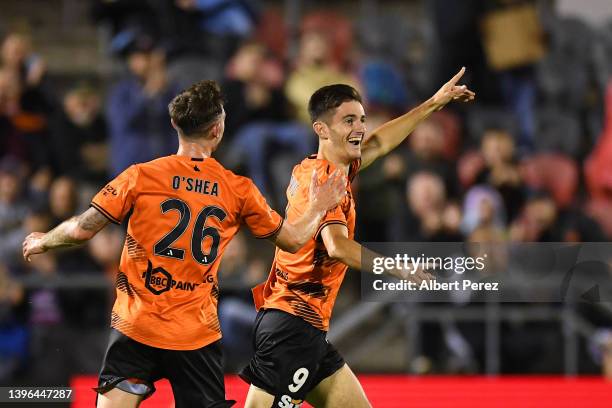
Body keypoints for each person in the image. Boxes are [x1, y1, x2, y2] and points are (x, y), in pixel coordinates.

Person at [22, 80, 346, 408]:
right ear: (217, 129)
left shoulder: (141, 176)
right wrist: (319, 206)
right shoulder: (238, 189)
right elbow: (293, 240)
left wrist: (44, 241)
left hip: (137, 326)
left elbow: (81, 229)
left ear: (175, 124)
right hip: (195, 335)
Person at [240, 68, 474, 407]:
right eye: (349, 121)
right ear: (321, 129)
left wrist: (434, 103)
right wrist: (398, 268)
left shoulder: (323, 167)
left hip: (303, 326)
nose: (360, 128)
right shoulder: (323, 183)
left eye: (361, 119)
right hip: (292, 326)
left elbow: (379, 143)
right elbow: (337, 246)